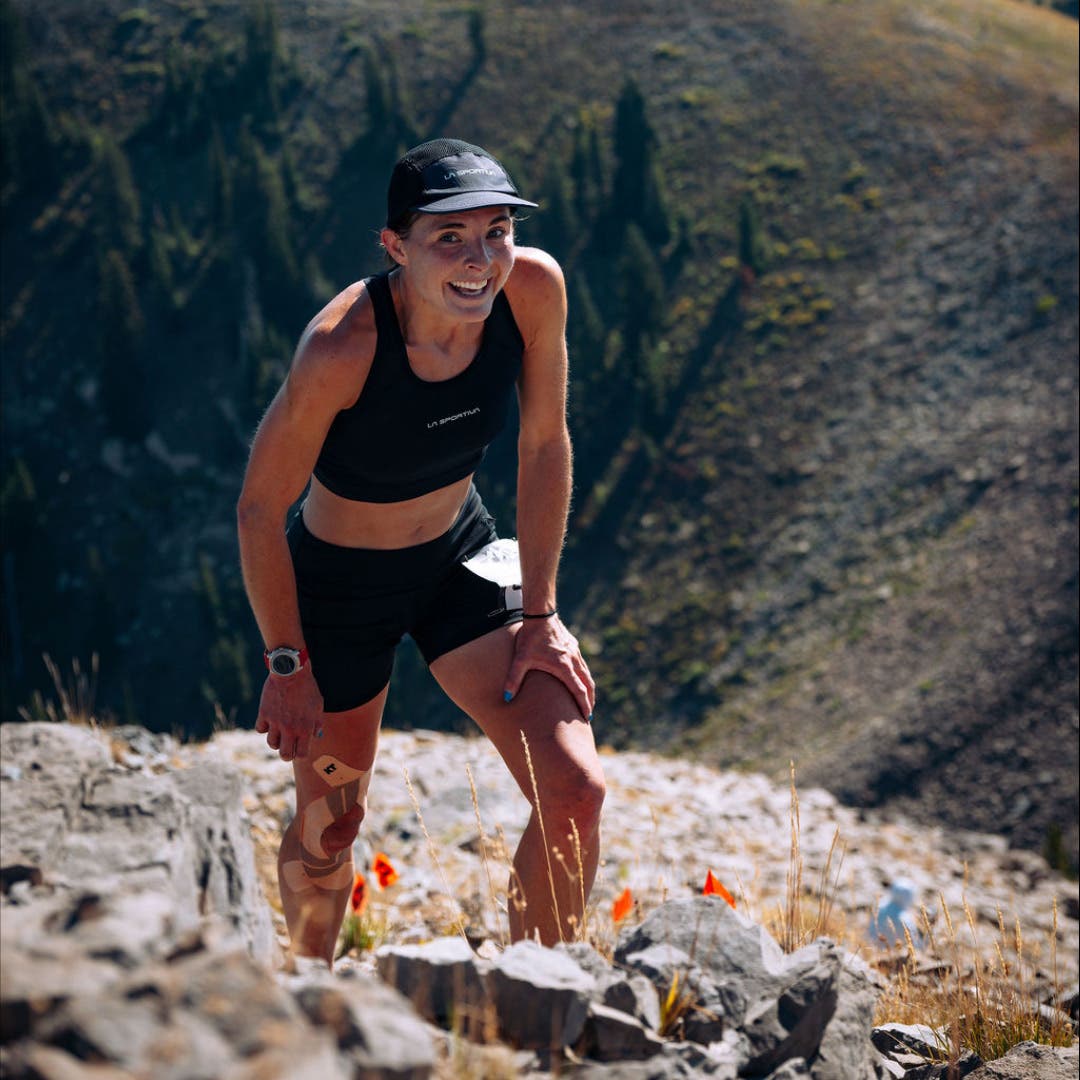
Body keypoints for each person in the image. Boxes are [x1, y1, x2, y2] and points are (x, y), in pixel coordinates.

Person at [237, 138, 604, 963]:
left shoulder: (533, 290)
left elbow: (545, 446)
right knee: (331, 824)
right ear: (395, 247)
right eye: (450, 237)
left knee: (575, 788)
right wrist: (288, 665)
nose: (480, 259)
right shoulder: (341, 347)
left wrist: (542, 614)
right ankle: (310, 1000)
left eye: (498, 229)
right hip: (339, 591)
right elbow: (260, 509)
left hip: (461, 559)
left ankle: (539, 1008)